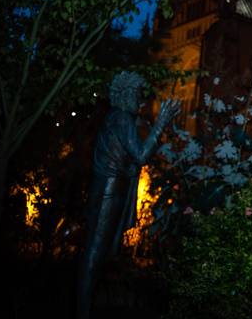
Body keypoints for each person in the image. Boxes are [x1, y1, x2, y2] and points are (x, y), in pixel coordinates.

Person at [76, 71, 181, 319]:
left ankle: (86, 305)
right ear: (124, 95)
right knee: (95, 252)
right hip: (108, 192)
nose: (140, 101)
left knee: (98, 252)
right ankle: (82, 309)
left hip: (111, 190)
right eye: (136, 95)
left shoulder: (118, 119)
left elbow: (130, 161)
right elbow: (141, 155)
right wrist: (161, 122)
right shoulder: (122, 118)